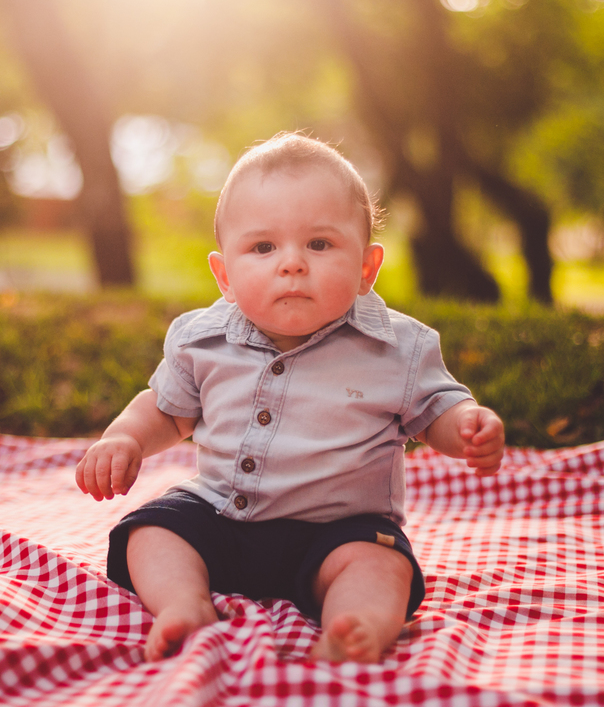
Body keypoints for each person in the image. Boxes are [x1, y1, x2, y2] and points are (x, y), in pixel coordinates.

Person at [75, 132, 505, 664]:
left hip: (340, 534)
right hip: (221, 517)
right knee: (152, 530)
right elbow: (167, 409)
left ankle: (356, 626)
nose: (292, 263)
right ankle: (183, 606)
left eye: (319, 245)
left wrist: (467, 426)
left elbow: (436, 410)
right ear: (225, 275)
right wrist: (125, 438)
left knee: (381, 563)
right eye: (263, 247)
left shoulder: (400, 348)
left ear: (367, 269)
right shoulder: (200, 339)